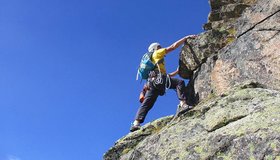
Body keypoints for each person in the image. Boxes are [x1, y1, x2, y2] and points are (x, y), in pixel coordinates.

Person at [130, 35, 196, 132]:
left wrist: (176, 72)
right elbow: (172, 47)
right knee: (179, 83)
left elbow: (165, 76)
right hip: (159, 80)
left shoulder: (153, 61)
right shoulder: (157, 53)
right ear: (155, 48)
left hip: (151, 83)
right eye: (159, 47)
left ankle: (136, 123)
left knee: (147, 103)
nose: (161, 48)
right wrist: (186, 38)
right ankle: (183, 104)